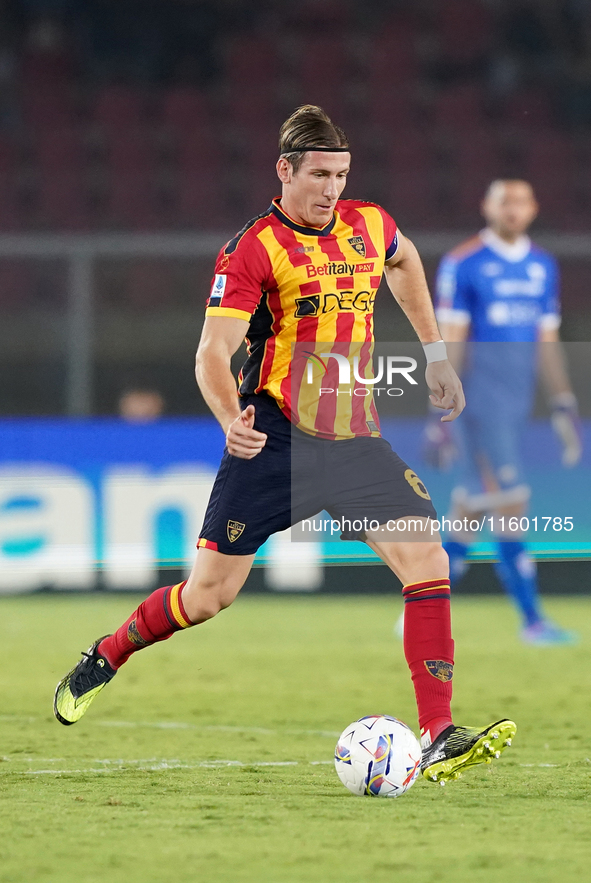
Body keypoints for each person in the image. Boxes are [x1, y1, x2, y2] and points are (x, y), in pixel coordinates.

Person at [54, 105, 516, 784]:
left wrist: (435, 354)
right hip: (273, 441)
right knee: (208, 596)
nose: (331, 188)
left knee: (425, 556)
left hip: (356, 439)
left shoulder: (369, 224)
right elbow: (212, 350)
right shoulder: (253, 248)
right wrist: (227, 418)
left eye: (341, 174)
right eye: (319, 174)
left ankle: (439, 728)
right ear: (285, 169)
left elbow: (405, 258)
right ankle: (109, 651)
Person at [425, 179, 581, 645]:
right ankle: (533, 621)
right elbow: (451, 338)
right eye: (503, 201)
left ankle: (420, 610)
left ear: (533, 208)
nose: (512, 209)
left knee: (472, 509)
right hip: (479, 405)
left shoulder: (541, 266)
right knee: (510, 501)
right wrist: (441, 415)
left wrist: (562, 401)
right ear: (486, 206)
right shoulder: (464, 262)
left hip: (515, 406)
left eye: (520, 201)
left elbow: (547, 340)